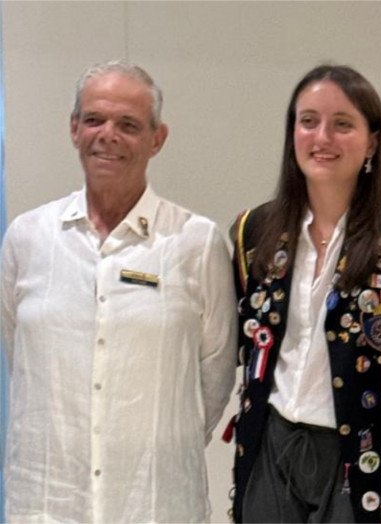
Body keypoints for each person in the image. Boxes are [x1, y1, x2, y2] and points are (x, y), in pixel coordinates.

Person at [0, 61, 235, 522]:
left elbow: (215, 377)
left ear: (157, 139)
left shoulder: (196, 243)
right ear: (74, 129)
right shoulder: (26, 239)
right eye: (94, 120)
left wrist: (153, 443)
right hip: (47, 504)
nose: (107, 135)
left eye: (128, 125)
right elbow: (18, 355)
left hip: (156, 504)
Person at [225, 64, 381, 523]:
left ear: (372, 141)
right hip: (271, 441)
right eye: (309, 121)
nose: (322, 137)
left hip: (363, 449)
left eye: (342, 124)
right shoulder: (254, 230)